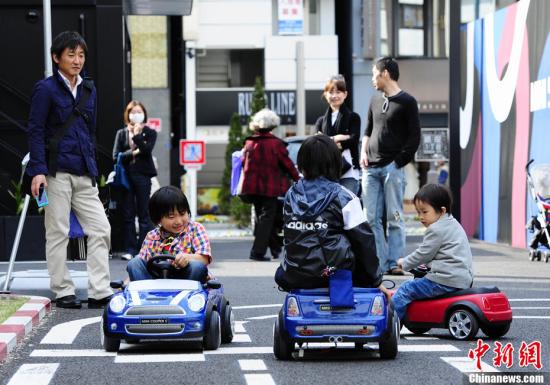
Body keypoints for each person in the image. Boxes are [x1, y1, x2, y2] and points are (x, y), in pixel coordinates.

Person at [26, 31, 112, 309]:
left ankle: (99, 290)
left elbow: (90, 130)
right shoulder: (46, 89)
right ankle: (63, 289)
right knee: (58, 231)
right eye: (71, 54)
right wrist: (38, 170)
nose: (77, 60)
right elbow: (36, 131)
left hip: (84, 171)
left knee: (101, 228)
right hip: (55, 172)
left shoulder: (89, 89)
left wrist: (94, 168)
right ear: (56, 57)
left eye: (81, 55)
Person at [275, 135, 389, 298]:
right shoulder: (344, 196)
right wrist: (376, 280)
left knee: (281, 272)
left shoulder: (291, 195)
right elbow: (364, 241)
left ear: (302, 163)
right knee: (356, 245)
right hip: (334, 275)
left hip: (294, 275)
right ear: (335, 162)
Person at [360, 57, 421, 276]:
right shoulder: (374, 100)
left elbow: (414, 138)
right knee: (371, 219)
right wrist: (362, 152)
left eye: (374, 74)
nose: (372, 79)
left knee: (394, 217)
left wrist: (397, 163)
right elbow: (368, 130)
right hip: (370, 169)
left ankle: (395, 263)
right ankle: (379, 263)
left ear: (385, 73)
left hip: (392, 169)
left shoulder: (408, 102)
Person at [392, 184, 474, 321]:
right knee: (420, 282)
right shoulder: (454, 223)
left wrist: (404, 262)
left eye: (424, 212)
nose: (420, 217)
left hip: (445, 280)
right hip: (463, 278)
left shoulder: (435, 230)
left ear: (442, 211)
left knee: (406, 289)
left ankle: (390, 323)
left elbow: (423, 253)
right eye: (418, 212)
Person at [241, 108, 300, 261]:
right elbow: (287, 164)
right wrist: (299, 179)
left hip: (252, 188)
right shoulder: (275, 144)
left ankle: (275, 248)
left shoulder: (249, 142)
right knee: (267, 218)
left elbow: (243, 164)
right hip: (270, 187)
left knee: (265, 218)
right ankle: (257, 252)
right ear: (273, 125)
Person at [126, 186, 210, 282]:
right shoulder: (152, 236)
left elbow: (205, 259)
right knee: (134, 263)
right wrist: (126, 284)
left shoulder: (195, 229)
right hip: (156, 282)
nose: (178, 221)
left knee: (197, 266)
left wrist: (187, 257)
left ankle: (186, 294)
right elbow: (141, 262)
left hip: (187, 280)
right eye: (171, 216)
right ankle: (142, 294)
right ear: (158, 219)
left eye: (182, 214)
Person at [112, 101, 157, 260]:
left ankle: (143, 250)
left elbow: (146, 150)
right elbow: (116, 155)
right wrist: (133, 153)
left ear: (144, 114)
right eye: (133, 112)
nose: (136, 114)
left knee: (144, 214)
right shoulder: (121, 133)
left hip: (143, 176)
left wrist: (137, 136)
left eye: (139, 111)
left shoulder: (150, 132)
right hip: (126, 178)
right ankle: (130, 249)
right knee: (128, 215)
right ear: (128, 114)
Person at [315, 75, 361, 195]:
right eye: (331, 92)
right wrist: (338, 138)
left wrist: (327, 140)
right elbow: (317, 144)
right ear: (325, 94)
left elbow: (353, 140)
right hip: (326, 172)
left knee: (347, 206)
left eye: (338, 92)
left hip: (349, 171)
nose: (334, 96)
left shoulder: (353, 118)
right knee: (329, 210)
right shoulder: (320, 121)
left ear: (345, 94)